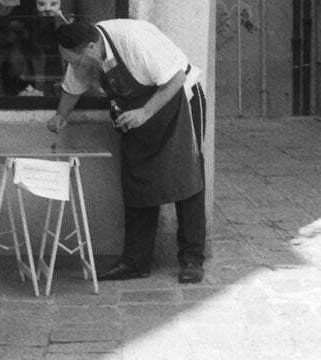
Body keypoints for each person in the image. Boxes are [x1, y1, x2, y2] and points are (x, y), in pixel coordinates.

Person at [47, 19, 207, 284]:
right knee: (137, 182)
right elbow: (72, 87)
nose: (74, 67)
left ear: (90, 47)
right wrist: (61, 116)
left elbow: (176, 77)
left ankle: (192, 260)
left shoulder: (135, 41)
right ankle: (136, 261)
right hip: (136, 115)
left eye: (75, 61)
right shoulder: (86, 56)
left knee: (186, 177)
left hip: (178, 101)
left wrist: (145, 112)